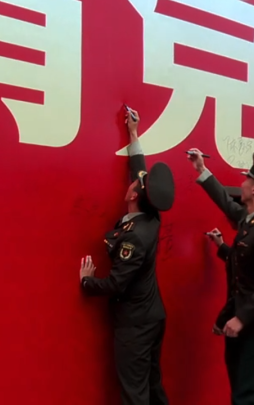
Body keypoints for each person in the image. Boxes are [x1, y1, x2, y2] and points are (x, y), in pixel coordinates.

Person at [80, 108, 175, 405]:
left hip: (136, 325)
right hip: (153, 317)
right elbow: (140, 173)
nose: (132, 181)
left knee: (134, 392)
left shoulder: (134, 237)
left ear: (134, 196)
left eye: (134, 184)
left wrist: (87, 282)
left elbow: (117, 283)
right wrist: (134, 133)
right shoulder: (152, 217)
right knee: (153, 385)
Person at [189, 147, 254, 405]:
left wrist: (241, 318)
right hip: (248, 321)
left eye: (247, 180)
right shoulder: (250, 220)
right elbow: (226, 203)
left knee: (249, 396)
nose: (242, 184)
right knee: (245, 393)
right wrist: (202, 169)